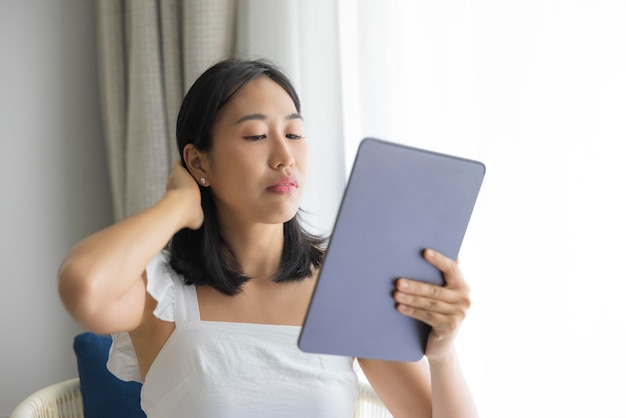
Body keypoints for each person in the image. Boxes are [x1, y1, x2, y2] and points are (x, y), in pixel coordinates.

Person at [58, 59, 478, 418]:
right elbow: (83, 285)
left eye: (294, 134)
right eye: (256, 136)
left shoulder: (344, 285)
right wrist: (177, 206)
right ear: (198, 160)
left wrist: (442, 356)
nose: (285, 157)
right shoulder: (161, 292)